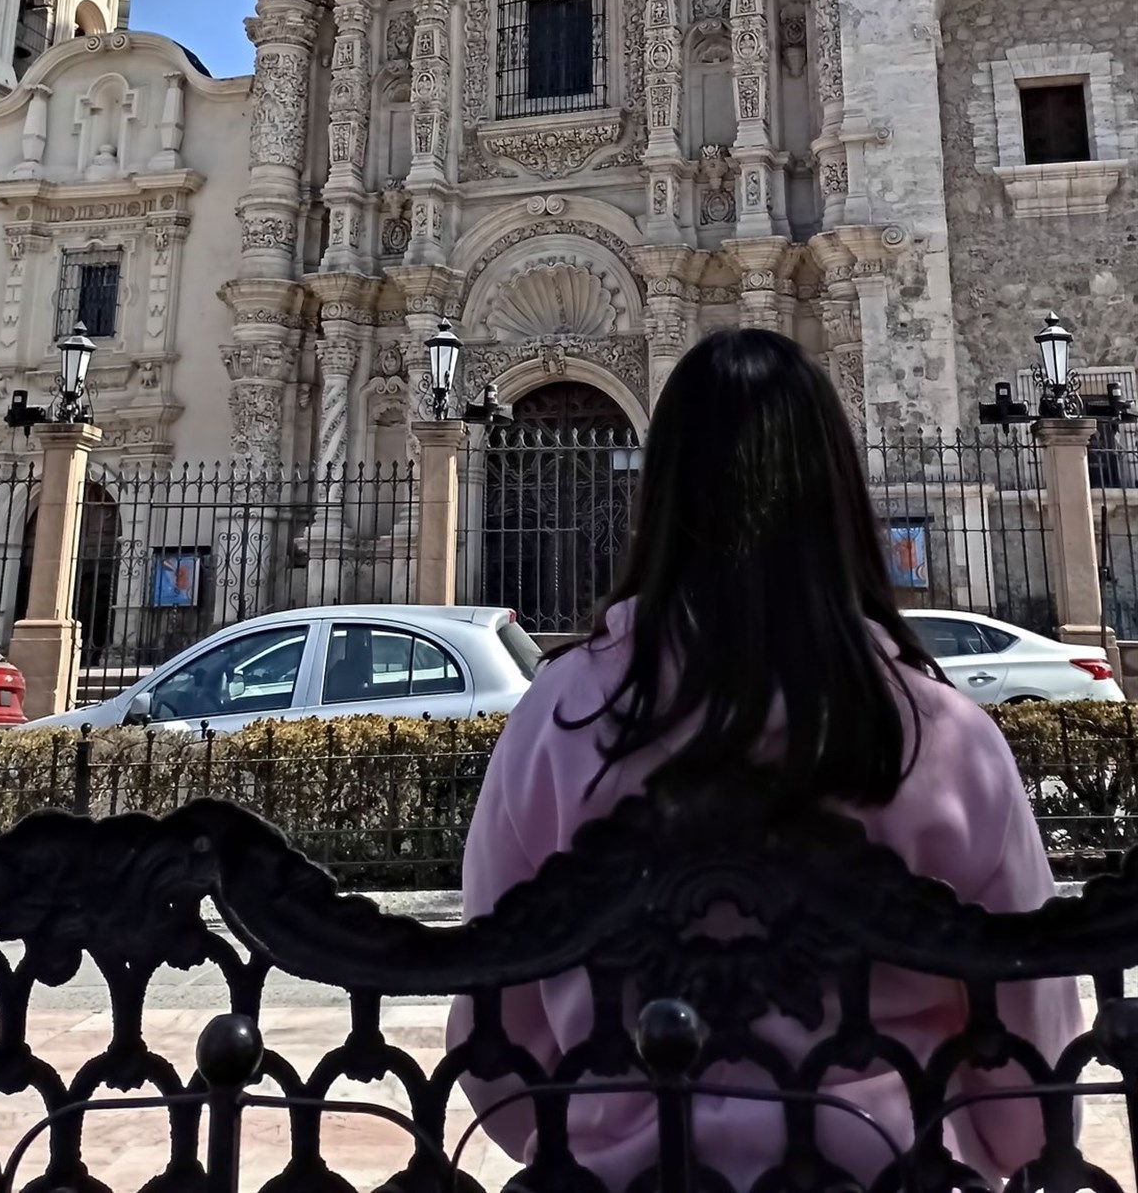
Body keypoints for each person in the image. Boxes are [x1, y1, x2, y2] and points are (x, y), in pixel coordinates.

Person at [450, 329, 1081, 1189]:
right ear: (837, 496)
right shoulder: (944, 737)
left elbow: (497, 1060)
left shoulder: (553, 723)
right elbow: (1026, 1103)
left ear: (662, 493)